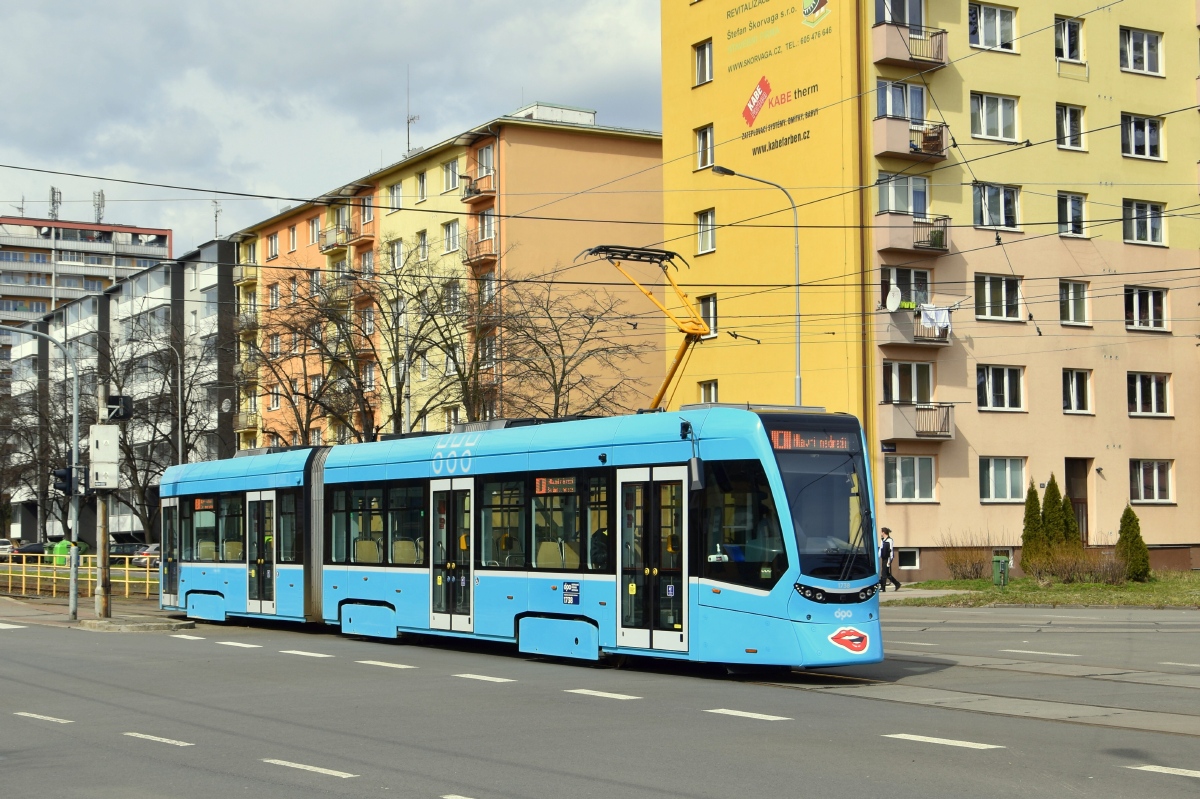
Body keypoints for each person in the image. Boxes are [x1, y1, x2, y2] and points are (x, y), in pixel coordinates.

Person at [878, 527, 901, 591]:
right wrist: (878, 556)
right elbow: (880, 549)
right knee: (886, 573)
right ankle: (897, 584)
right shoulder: (882, 540)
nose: (880, 533)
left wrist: (889, 560)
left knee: (884, 573)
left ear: (883, 532)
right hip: (883, 557)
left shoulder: (890, 540)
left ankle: (883, 588)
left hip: (888, 558)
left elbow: (891, 550)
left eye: (881, 532)